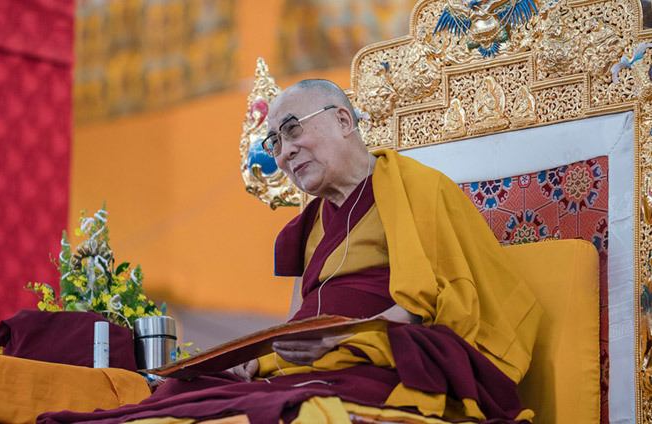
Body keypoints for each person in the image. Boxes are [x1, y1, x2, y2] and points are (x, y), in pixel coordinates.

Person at [38, 80, 541, 424]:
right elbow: (296, 322)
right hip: (316, 361)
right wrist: (253, 363)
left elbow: (434, 305)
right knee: (175, 395)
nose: (283, 152)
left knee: (283, 409)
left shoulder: (418, 188)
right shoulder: (313, 224)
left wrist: (338, 342)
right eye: (274, 142)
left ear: (344, 120)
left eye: (293, 130)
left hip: (380, 358)